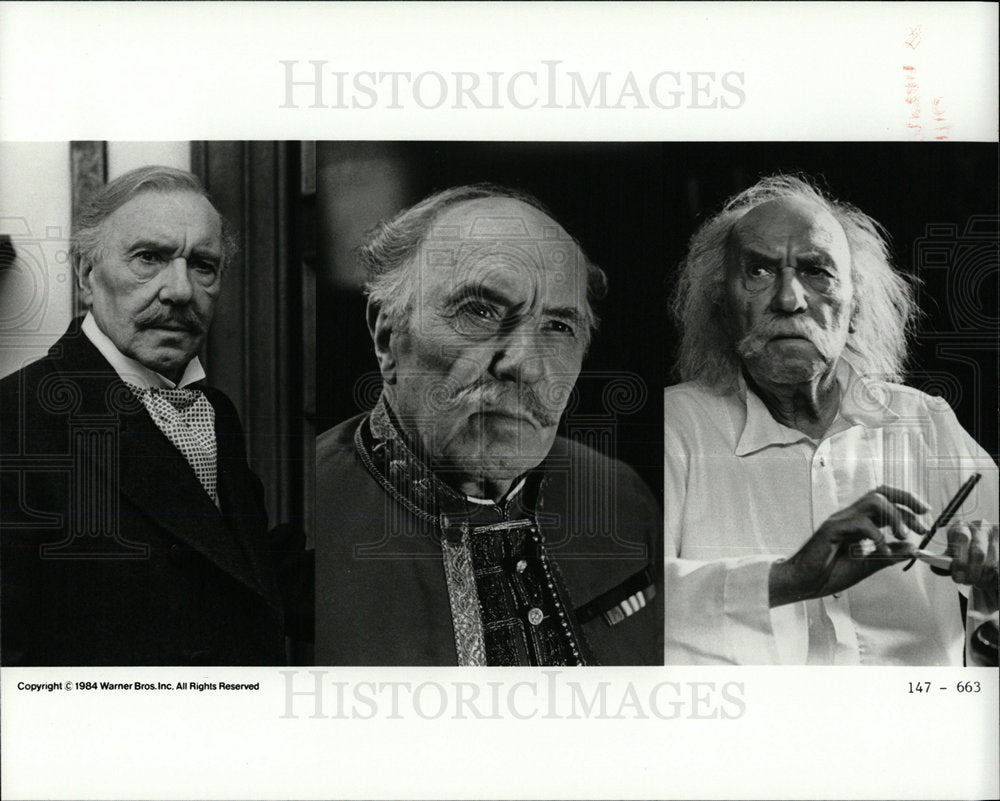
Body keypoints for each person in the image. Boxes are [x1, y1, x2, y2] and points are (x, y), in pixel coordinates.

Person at [315, 184, 662, 665]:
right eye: (479, 311)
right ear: (387, 334)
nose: (523, 362)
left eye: (559, 327)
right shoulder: (295, 519)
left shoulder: (622, 496)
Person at [663, 173, 998, 665]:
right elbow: (635, 605)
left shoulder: (923, 421)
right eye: (758, 271)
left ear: (855, 302)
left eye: (817, 271)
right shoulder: (676, 424)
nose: (789, 299)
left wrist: (991, 583)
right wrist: (789, 576)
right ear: (720, 303)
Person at [1, 166, 292, 666]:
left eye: (203, 265)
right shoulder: (13, 419)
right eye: (149, 258)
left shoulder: (218, 412)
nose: (180, 290)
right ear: (86, 276)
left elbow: (235, 573)